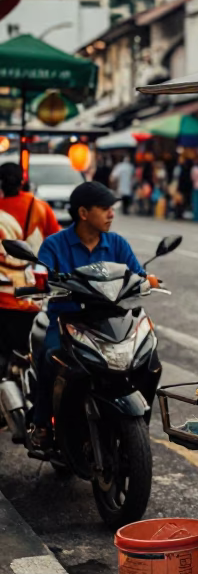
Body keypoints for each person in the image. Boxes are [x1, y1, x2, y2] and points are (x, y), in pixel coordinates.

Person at [32, 182, 150, 446]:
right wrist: (41, 282)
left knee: (147, 358)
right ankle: (41, 423)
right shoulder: (54, 245)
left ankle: (137, 417)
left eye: (112, 209)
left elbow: (137, 275)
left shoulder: (117, 243)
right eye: (105, 208)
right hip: (68, 321)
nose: (111, 214)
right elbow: (42, 278)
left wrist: (148, 280)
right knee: (51, 358)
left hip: (110, 321)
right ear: (83, 213)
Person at [0, 163, 60, 357]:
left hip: (2, 298)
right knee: (29, 352)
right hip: (32, 296)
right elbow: (56, 244)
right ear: (23, 181)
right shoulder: (40, 207)